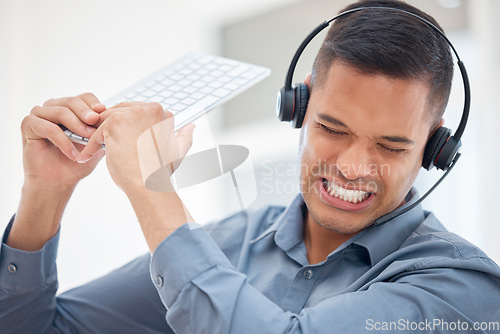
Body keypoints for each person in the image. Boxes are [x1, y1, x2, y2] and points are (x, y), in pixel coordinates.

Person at [1, 0, 500, 333]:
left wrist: (150, 188)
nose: (352, 167)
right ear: (300, 108)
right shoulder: (229, 244)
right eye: (332, 129)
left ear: (435, 150)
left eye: (391, 147)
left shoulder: (463, 289)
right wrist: (46, 191)